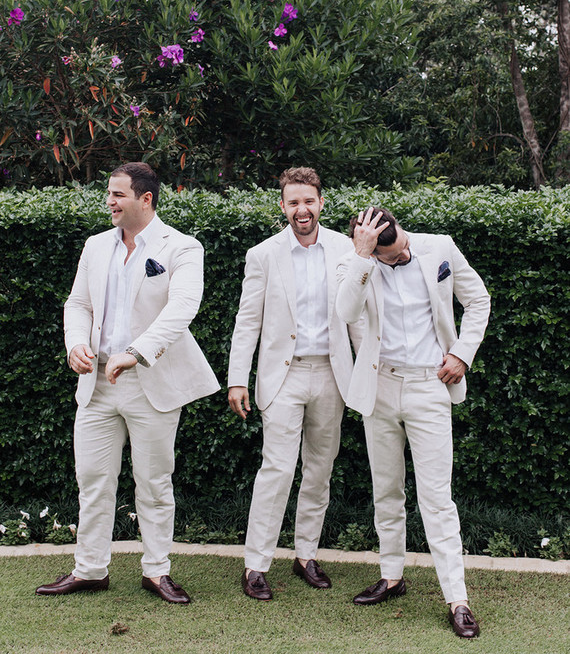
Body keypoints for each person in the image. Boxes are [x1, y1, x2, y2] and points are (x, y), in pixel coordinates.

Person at [36, 162, 220, 603]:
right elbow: (77, 303)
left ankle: (157, 572)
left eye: (117, 194)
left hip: (149, 382)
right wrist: (76, 344)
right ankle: (90, 569)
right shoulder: (95, 246)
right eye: (109, 192)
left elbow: (182, 308)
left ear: (145, 199)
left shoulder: (182, 247)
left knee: (154, 481)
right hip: (96, 384)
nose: (109, 201)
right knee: (93, 479)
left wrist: (135, 353)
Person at [336, 206, 490, 638]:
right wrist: (364, 259)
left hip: (429, 386)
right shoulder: (355, 264)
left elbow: (478, 299)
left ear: (401, 230)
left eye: (402, 246)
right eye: (392, 255)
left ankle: (457, 599)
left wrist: (462, 353)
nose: (401, 256)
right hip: (380, 387)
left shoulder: (439, 246)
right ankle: (392, 576)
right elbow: (347, 312)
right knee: (386, 488)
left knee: (437, 497)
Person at [228, 167, 362, 600]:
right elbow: (247, 322)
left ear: (322, 202)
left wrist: (365, 376)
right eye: (293, 202)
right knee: (278, 470)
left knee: (320, 470)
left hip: (332, 373)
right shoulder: (263, 254)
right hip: (281, 377)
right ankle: (256, 565)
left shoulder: (347, 249)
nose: (301, 209)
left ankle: (306, 555)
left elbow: (360, 314)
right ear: (282, 205)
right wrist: (236, 379)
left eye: (308, 201)